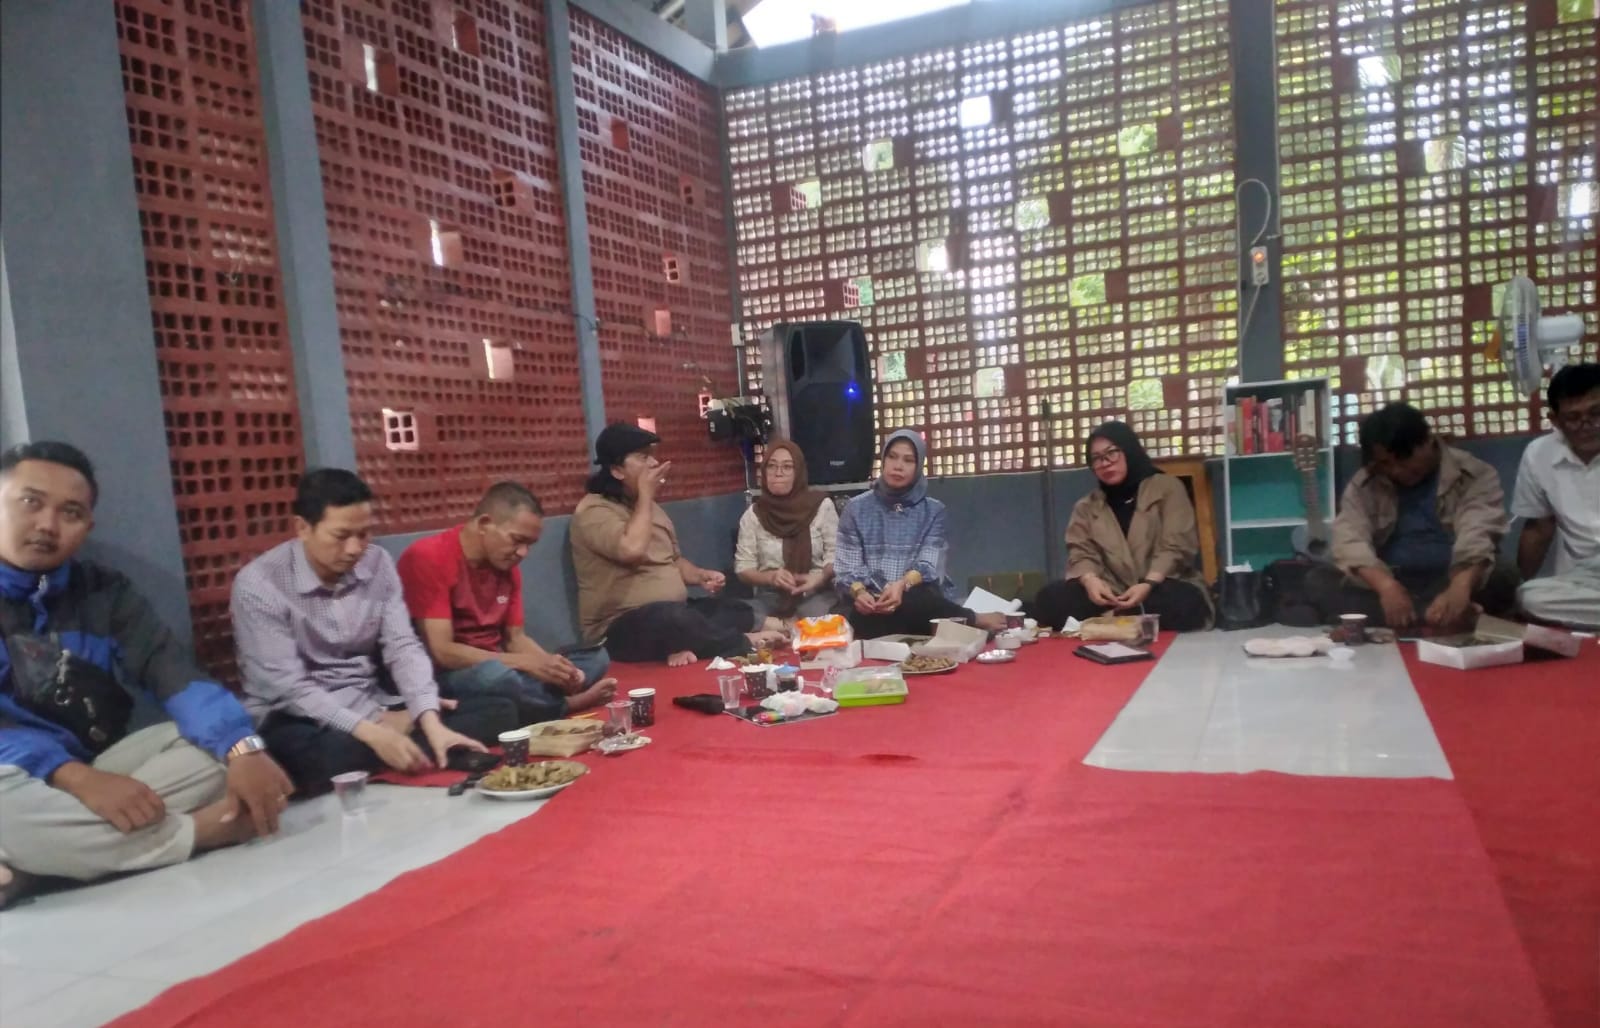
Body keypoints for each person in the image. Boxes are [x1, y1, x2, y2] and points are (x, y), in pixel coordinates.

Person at [0, 442, 292, 908]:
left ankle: (38, 863)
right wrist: (72, 777)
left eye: (70, 512)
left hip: (89, 769)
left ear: (87, 526)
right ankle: (197, 833)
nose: (48, 525)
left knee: (215, 756)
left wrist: (242, 747)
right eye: (31, 502)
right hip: (19, 774)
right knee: (7, 807)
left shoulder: (103, 592)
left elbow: (168, 668)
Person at [232, 469, 514, 796]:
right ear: (302, 528)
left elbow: (403, 646)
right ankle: (399, 746)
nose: (355, 548)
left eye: (364, 534)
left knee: (500, 710)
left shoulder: (377, 563)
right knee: (313, 757)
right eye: (341, 535)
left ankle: (413, 743)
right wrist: (372, 729)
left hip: (371, 700)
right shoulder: (260, 585)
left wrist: (427, 718)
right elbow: (288, 688)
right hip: (297, 717)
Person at [397, 481, 616, 723]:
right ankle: (565, 704)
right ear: (484, 524)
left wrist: (554, 668)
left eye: (529, 545)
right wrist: (523, 663)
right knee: (497, 677)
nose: (523, 553)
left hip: (502, 665)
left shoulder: (507, 569)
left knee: (596, 657)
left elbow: (515, 639)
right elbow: (443, 652)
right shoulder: (429, 557)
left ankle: (544, 697)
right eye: (517, 540)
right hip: (451, 675)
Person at [570, 424, 786, 666]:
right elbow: (631, 550)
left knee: (727, 609)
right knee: (673, 619)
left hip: (673, 611)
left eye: (653, 455)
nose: (654, 463)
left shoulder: (648, 507)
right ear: (617, 470)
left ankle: (781, 627)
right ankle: (743, 642)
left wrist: (699, 575)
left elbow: (671, 559)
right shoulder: (594, 511)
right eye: (643, 457)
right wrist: (645, 497)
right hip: (618, 627)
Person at [1307, 402, 1518, 629]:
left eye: (1404, 459)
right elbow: (1350, 540)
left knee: (1502, 576)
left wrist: (1460, 587)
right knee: (1318, 581)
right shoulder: (1364, 483)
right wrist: (1386, 586)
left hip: (1450, 576)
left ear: (1427, 440)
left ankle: (1425, 614)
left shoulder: (1474, 474)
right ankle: (1442, 616)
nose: (1397, 470)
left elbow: (1478, 533)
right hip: (1390, 579)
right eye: (1386, 463)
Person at [1028, 421, 1214, 631]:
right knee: (1049, 598)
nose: (1105, 463)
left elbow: (1176, 546)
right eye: (1096, 458)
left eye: (1112, 453)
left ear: (1129, 450)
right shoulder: (1087, 506)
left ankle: (1112, 617)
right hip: (1112, 590)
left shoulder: (1167, 488)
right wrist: (1090, 581)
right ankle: (1126, 615)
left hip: (1161, 583)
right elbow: (1080, 552)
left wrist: (1148, 584)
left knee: (1185, 602)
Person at [833, 429, 1006, 638]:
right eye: (892, 457)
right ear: (883, 460)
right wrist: (860, 593)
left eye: (908, 460)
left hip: (919, 604)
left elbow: (928, 565)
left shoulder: (933, 511)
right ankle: (969, 620)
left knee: (917, 599)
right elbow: (846, 569)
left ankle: (969, 620)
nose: (898, 466)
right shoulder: (855, 508)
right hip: (871, 607)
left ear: (918, 466)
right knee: (858, 614)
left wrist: (901, 586)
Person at [1512, 363, 1600, 628]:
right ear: (1555, 421)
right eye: (1573, 418)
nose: (1586, 426)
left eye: (1596, 413)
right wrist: (1520, 587)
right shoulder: (1538, 454)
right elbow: (1539, 529)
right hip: (1582, 579)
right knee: (1529, 597)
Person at [734, 440, 840, 623]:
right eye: (771, 466)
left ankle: (785, 627)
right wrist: (770, 577)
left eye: (787, 467)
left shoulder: (822, 506)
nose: (778, 473)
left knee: (814, 618)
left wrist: (820, 578)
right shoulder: (753, 515)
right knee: (738, 616)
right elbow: (743, 568)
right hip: (770, 596)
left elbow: (836, 555)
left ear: (798, 473)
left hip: (815, 592)